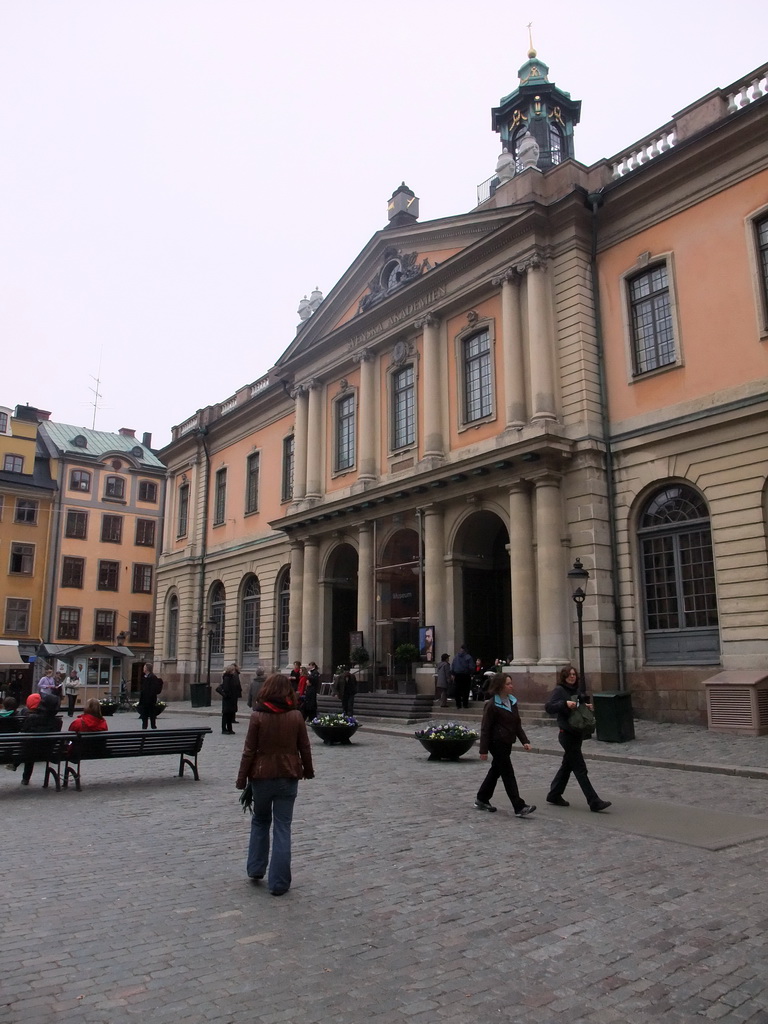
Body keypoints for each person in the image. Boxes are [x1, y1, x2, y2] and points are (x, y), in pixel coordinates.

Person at [235, 673, 314, 896]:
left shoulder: (257, 716)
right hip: (288, 776)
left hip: (262, 776)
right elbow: (304, 748)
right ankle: (279, 882)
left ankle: (256, 868)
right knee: (283, 826)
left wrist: (242, 779)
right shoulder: (296, 716)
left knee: (260, 821)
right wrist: (307, 770)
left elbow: (249, 750)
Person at [544, 666, 611, 812]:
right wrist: (564, 704)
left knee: (567, 766)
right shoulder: (560, 690)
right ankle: (594, 801)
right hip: (566, 733)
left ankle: (554, 794)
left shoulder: (576, 690)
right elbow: (549, 707)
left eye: (574, 674)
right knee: (580, 768)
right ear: (564, 677)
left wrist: (584, 706)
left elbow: (577, 706)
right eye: (569, 675)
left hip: (576, 733)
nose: (572, 677)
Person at [474, 674, 535, 817]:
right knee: (508, 773)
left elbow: (517, 724)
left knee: (496, 770)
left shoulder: (512, 702)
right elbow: (485, 728)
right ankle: (519, 806)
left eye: (511, 683)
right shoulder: (492, 705)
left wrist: (525, 741)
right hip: (496, 743)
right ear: (500, 686)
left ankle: (482, 798)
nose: (511, 686)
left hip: (507, 742)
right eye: (508, 684)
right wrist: (483, 750)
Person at [18, 692, 62, 786]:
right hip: (48, 751)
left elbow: (24, 733)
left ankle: (26, 778)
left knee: (31, 746)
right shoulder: (58, 722)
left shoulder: (31, 718)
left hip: (29, 752)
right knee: (34, 746)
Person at [219, 664, 243, 734]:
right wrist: (229, 695)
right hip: (228, 699)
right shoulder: (226, 678)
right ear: (230, 671)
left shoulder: (232, 677)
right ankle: (224, 729)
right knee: (225, 714)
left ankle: (230, 729)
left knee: (230, 714)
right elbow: (226, 689)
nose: (234, 671)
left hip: (232, 698)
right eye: (233, 670)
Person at [138, 664, 163, 730]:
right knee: (144, 715)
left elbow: (153, 690)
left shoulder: (152, 677)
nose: (143, 669)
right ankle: (144, 727)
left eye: (144, 667)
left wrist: (149, 697)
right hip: (144, 699)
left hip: (150, 700)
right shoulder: (144, 677)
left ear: (147, 669)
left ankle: (153, 727)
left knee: (152, 714)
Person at [451, 645, 474, 710]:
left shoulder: (456, 657)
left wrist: (453, 674)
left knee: (457, 690)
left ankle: (458, 704)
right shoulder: (468, 657)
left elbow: (453, 666)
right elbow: (471, 667)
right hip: (465, 675)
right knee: (465, 690)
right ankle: (465, 704)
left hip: (457, 675)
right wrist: (471, 672)